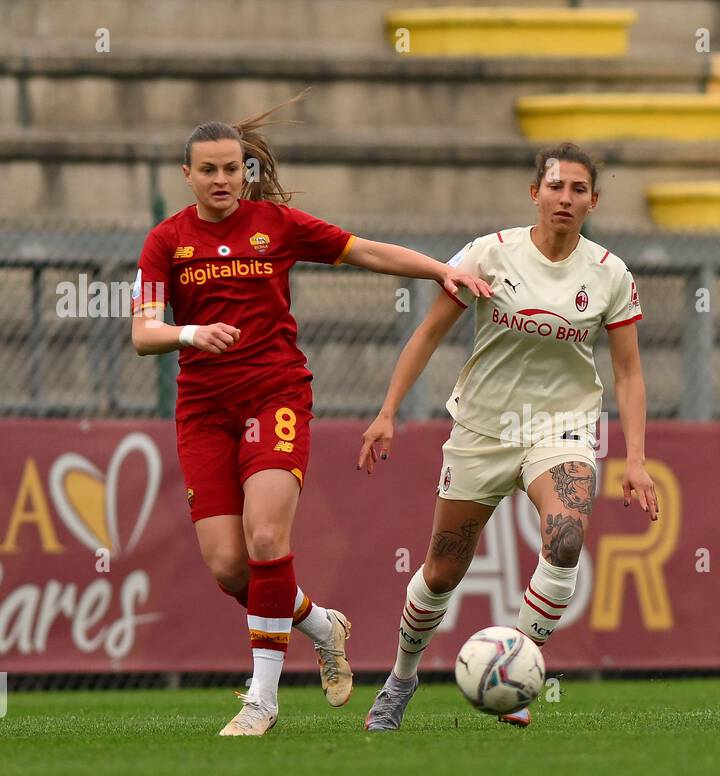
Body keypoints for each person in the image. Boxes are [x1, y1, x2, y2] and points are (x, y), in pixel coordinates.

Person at [130, 94, 491, 736]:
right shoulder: (166, 241)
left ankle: (262, 700)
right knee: (228, 568)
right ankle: (322, 624)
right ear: (185, 175)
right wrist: (191, 334)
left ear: (246, 170)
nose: (220, 180)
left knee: (268, 539)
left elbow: (367, 252)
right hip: (203, 413)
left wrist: (441, 269)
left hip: (276, 397)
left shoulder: (278, 225)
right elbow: (143, 333)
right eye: (207, 170)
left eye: (230, 168)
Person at [357, 142, 659, 731]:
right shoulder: (488, 256)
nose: (565, 198)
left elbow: (629, 371)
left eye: (578, 189)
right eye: (555, 187)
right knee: (443, 570)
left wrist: (637, 459)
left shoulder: (610, 274)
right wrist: (387, 410)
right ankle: (401, 680)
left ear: (593, 201)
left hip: (562, 425)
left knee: (566, 535)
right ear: (534, 193)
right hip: (483, 426)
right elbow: (427, 335)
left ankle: (514, 669)